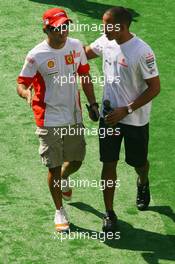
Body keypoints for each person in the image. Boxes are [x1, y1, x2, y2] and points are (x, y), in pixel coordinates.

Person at [17, 8, 99, 232]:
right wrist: (26, 93)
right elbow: (22, 83)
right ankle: (59, 210)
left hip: (73, 115)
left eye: (66, 26)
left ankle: (63, 178)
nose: (63, 31)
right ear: (47, 29)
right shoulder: (36, 55)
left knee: (77, 161)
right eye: (57, 28)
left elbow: (84, 75)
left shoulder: (75, 46)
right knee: (53, 167)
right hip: (48, 117)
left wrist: (93, 104)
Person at [85, 6, 160, 232]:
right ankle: (109, 212)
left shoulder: (142, 51)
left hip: (134, 119)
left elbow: (155, 88)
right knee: (109, 163)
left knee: (138, 163)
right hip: (109, 117)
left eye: (108, 26)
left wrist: (126, 110)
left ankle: (143, 181)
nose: (103, 29)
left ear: (122, 27)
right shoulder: (105, 41)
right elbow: (83, 54)